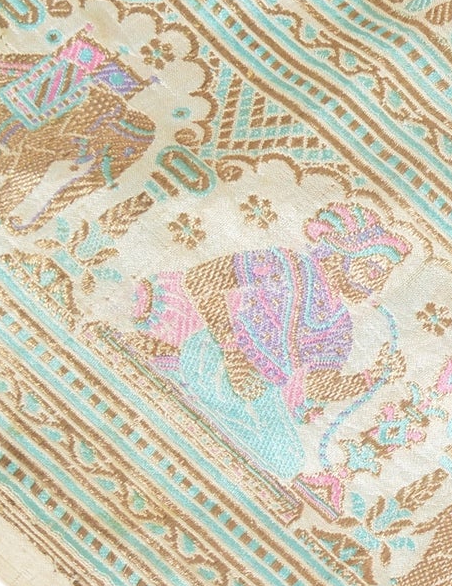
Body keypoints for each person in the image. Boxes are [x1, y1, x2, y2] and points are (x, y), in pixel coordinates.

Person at [129, 203, 410, 478]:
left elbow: (318, 386)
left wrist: (372, 377)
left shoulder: (340, 325)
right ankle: (176, 370)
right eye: (373, 270)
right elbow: (199, 280)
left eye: (383, 276)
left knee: (289, 462)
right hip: (215, 354)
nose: (378, 285)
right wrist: (231, 349)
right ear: (343, 254)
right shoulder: (286, 264)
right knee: (210, 392)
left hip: (260, 393)